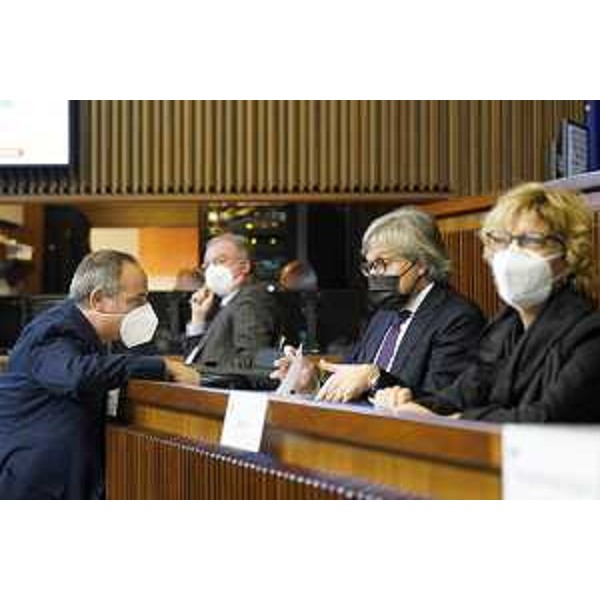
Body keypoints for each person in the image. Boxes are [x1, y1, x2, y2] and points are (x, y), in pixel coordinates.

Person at [372, 183, 600, 422]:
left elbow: (545, 417)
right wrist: (407, 402)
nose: (512, 253)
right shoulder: (504, 328)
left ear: (569, 255)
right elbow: (460, 395)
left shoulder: (589, 335)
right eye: (502, 240)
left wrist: (457, 420)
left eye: (531, 240)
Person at [0, 250, 199, 499]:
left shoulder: (88, 335)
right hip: (37, 484)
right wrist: (162, 366)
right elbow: (77, 375)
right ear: (98, 300)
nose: (145, 310)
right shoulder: (54, 330)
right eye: (136, 301)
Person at [271, 207, 486, 402]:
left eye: (382, 263)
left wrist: (375, 378)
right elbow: (354, 375)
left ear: (421, 263)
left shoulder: (458, 319)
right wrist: (312, 379)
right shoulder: (384, 315)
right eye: (370, 266)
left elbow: (442, 401)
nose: (374, 275)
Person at [184, 233, 278, 374]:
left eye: (220, 261)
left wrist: (198, 377)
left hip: (220, 388)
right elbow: (197, 358)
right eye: (207, 266)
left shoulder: (250, 301)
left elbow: (251, 363)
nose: (212, 270)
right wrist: (198, 319)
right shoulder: (229, 301)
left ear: (245, 266)